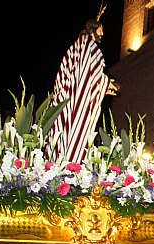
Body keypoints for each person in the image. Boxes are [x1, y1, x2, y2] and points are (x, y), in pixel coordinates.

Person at [50, 8, 119, 163]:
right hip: (77, 103)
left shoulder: (75, 47)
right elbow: (91, 77)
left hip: (65, 102)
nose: (102, 34)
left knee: (63, 135)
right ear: (93, 29)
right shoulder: (91, 48)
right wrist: (106, 83)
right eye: (100, 30)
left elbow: (78, 77)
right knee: (76, 136)